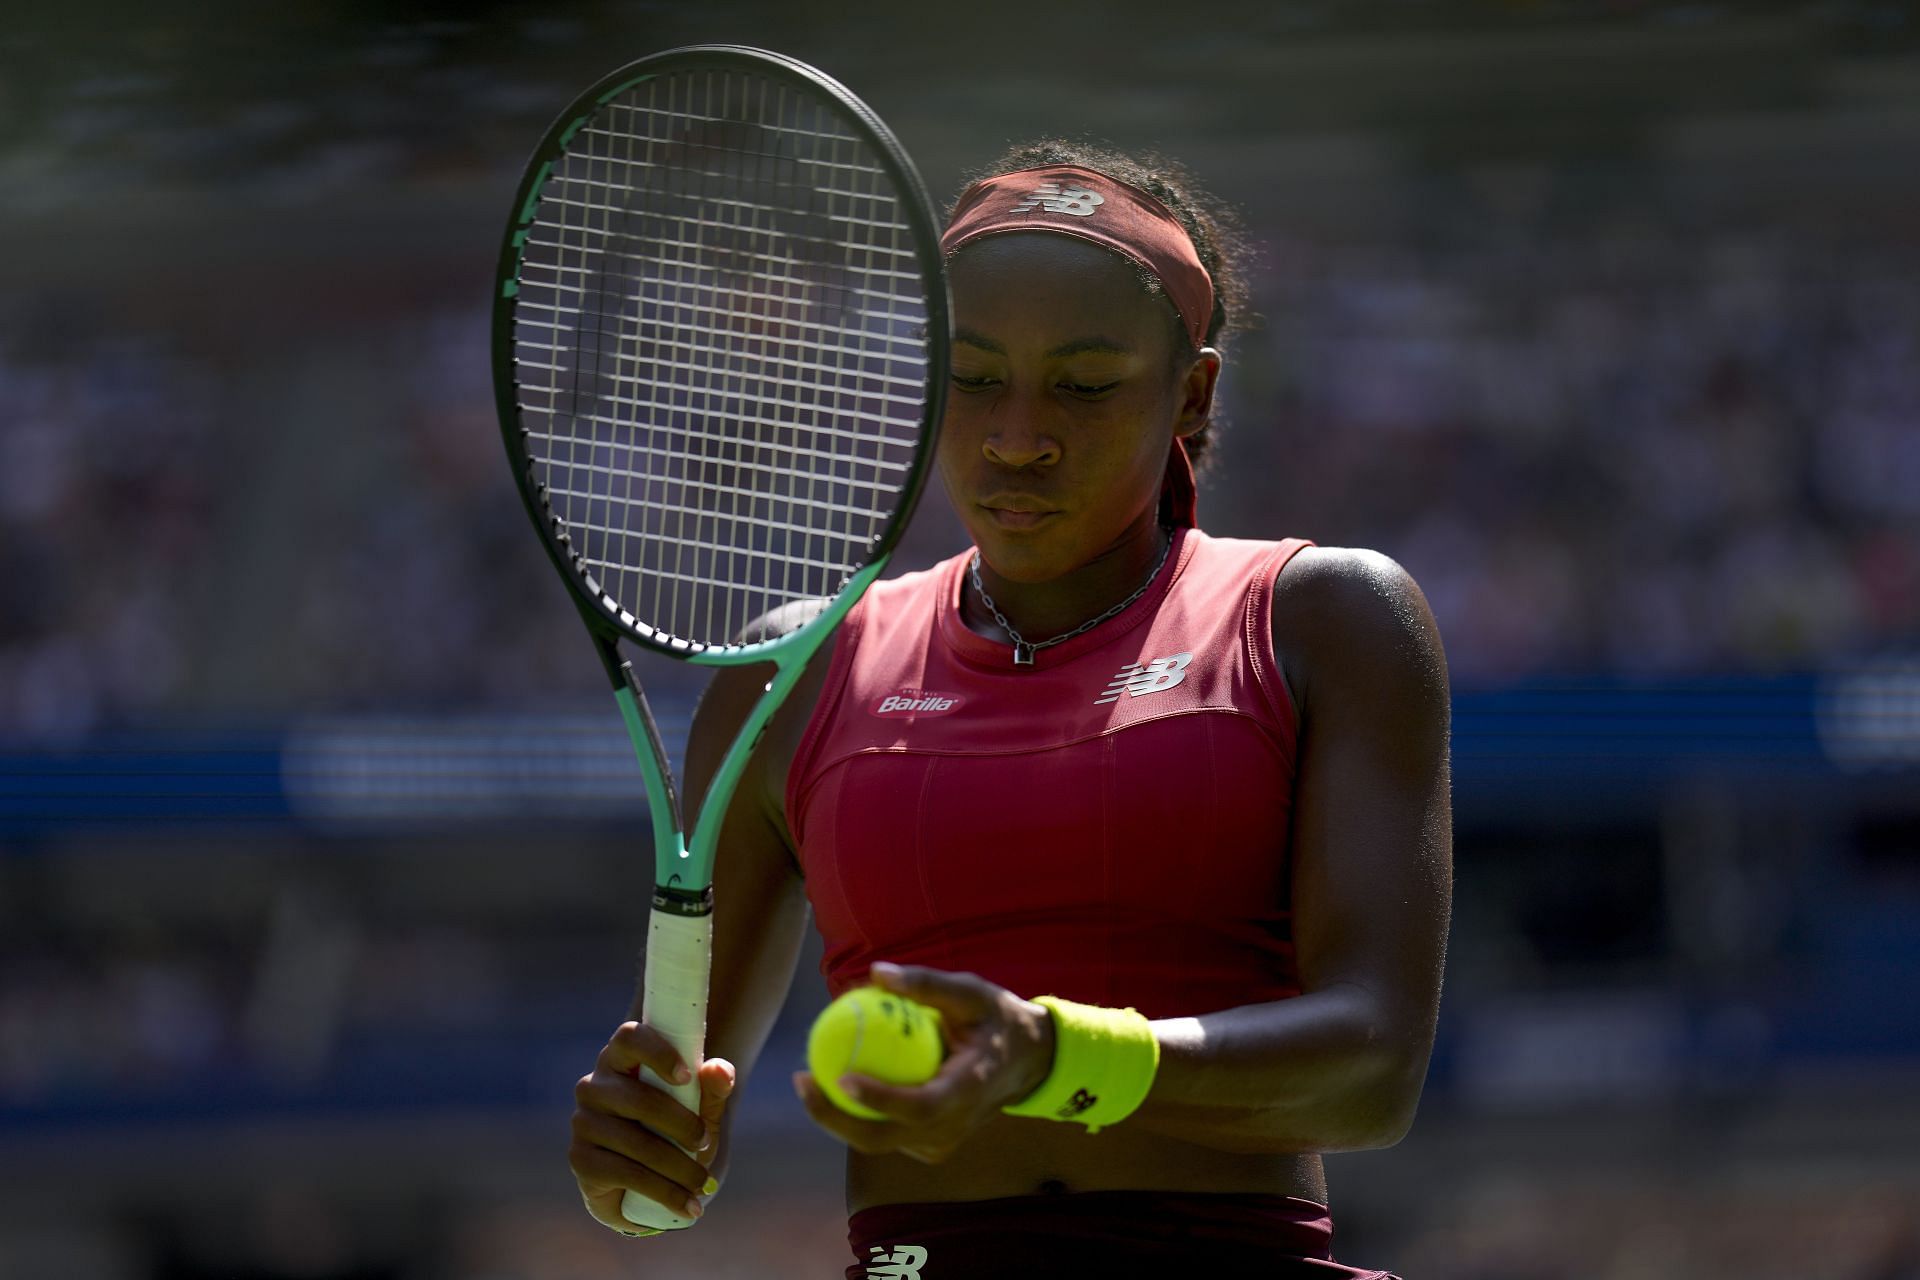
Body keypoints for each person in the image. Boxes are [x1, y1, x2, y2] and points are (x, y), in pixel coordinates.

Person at [567, 140, 1452, 1279]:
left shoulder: (1328, 619)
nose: (1018, 434)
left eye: (1084, 384)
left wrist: (1052, 1056)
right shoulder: (784, 675)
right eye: (975, 374)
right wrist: (631, 1157)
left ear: (1192, 392)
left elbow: (1375, 1068)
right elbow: (667, 1153)